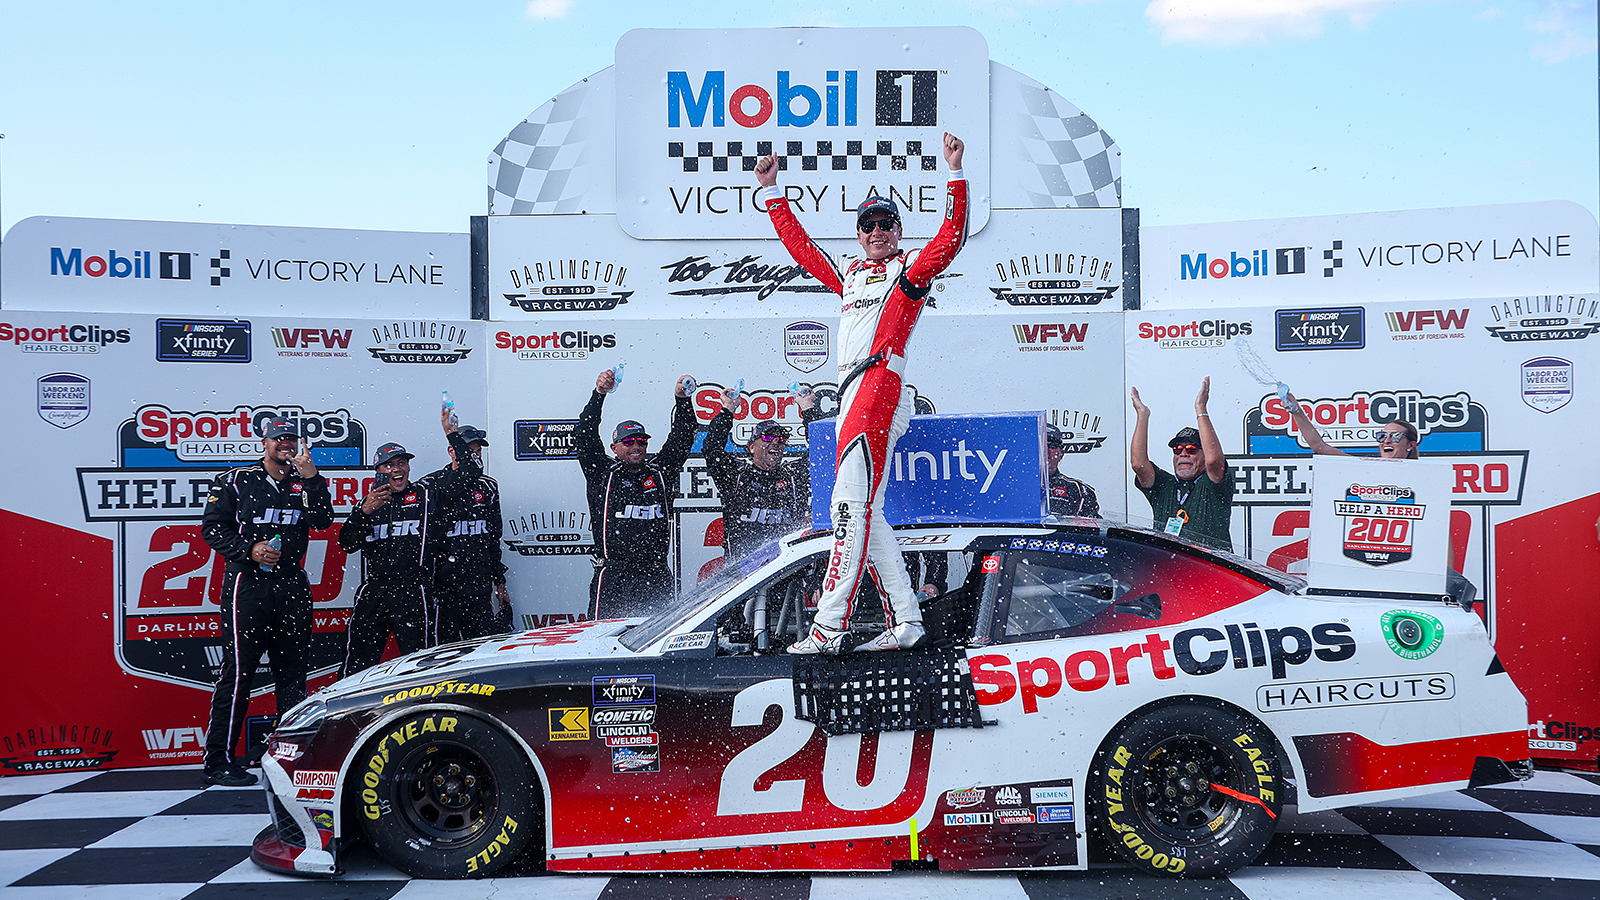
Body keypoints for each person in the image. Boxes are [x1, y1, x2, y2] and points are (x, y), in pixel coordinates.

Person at [754, 132, 969, 654]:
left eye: (885, 224)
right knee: (863, 510)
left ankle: (829, 628)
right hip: (853, 389)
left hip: (881, 382)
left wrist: (955, 173)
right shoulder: (849, 274)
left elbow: (950, 238)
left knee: (849, 507)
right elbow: (802, 251)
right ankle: (908, 620)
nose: (876, 232)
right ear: (858, 235)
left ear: (898, 231)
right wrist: (773, 192)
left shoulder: (906, 271)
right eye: (867, 225)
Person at [199, 416, 334, 786]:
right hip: (248, 583)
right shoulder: (237, 480)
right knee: (238, 672)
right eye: (278, 439)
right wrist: (249, 549)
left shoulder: (304, 480)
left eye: (291, 439)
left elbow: (323, 520)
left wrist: (312, 479)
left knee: (292, 675)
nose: (285, 445)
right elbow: (211, 527)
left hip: (292, 583)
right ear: (264, 443)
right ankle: (218, 760)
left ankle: (287, 757)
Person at [576, 369, 697, 619]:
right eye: (629, 442)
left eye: (641, 441)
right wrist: (599, 394)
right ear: (614, 447)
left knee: (659, 645)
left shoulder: (660, 472)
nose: (636, 446)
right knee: (602, 643)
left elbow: (683, 437)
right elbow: (585, 435)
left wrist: (683, 400)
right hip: (614, 575)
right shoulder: (602, 473)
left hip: (655, 574)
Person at [338, 441, 439, 678]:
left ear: (408, 468)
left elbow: (459, 479)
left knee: (421, 665)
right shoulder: (367, 504)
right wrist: (364, 513)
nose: (396, 469)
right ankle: (351, 712)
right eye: (389, 465)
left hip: (413, 590)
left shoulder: (426, 496)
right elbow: (347, 544)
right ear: (378, 472)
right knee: (357, 664)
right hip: (375, 589)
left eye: (401, 463)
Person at [417, 410, 509, 642]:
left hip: (478, 588)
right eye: (470, 451)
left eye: (478, 451)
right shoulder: (431, 484)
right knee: (442, 654)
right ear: (453, 451)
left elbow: (493, 538)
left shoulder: (488, 486)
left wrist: (499, 582)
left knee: (483, 651)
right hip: (444, 589)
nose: (476, 456)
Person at [702, 384, 820, 562]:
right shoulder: (737, 476)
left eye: (780, 439)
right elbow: (711, 449)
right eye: (767, 437)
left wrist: (807, 408)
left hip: (786, 575)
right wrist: (728, 410)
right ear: (751, 446)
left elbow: (821, 451)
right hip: (742, 577)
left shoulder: (793, 478)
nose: (776, 443)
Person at [1130, 377, 1236, 552]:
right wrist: (1142, 415)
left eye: (1192, 449)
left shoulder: (1213, 485)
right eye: (1177, 450)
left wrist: (1201, 409)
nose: (1183, 454)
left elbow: (1214, 461)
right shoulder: (1165, 486)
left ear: (1204, 452)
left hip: (1211, 570)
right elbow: (1139, 465)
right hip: (1169, 569)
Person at [1284, 393, 1421, 459]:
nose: (1386, 441)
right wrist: (1297, 412)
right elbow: (1319, 446)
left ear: (1411, 445)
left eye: (1395, 436)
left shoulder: (1425, 474)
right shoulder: (1367, 468)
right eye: (1381, 436)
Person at [1046, 424, 1101, 518]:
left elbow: (1092, 527)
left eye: (1051, 445)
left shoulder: (1080, 490)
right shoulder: (1015, 487)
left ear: (1061, 454)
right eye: (1039, 444)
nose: (1045, 449)